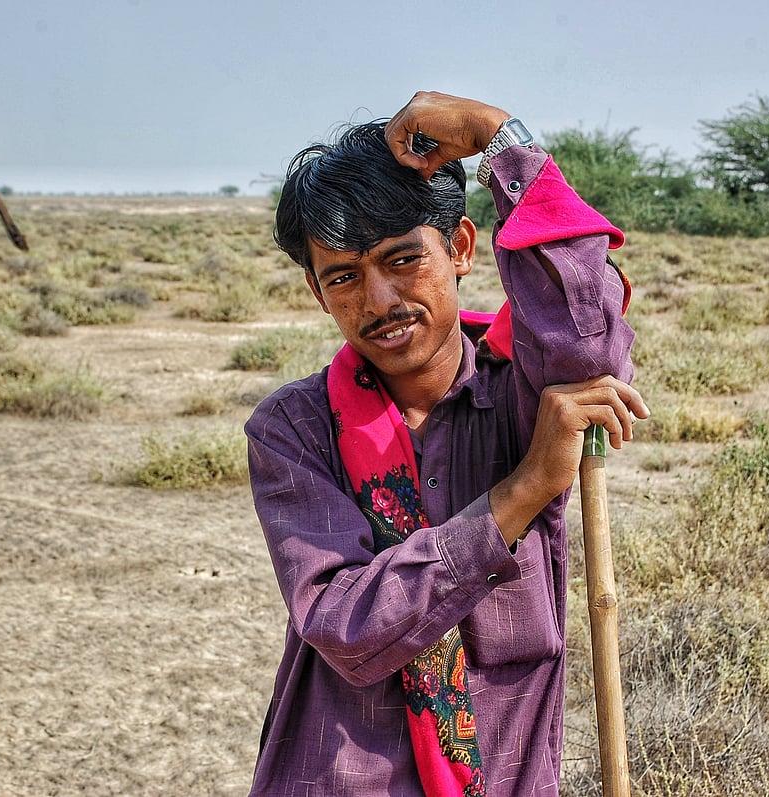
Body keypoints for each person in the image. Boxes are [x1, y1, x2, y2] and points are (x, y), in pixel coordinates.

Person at [244, 90, 649, 797]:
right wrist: (521, 492)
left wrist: (500, 138)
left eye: (403, 260)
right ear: (317, 291)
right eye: (343, 276)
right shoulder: (293, 429)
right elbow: (344, 621)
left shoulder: (524, 390)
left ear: (461, 248)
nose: (377, 300)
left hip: (508, 772)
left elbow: (588, 327)